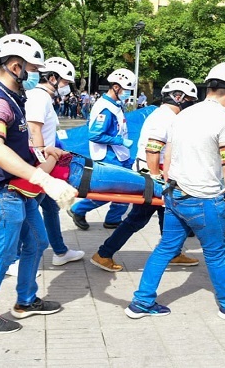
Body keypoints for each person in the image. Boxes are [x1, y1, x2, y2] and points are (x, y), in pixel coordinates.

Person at [125, 62, 225, 320]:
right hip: (204, 199)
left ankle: (141, 302)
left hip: (175, 194)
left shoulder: (183, 115)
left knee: (165, 248)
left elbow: (169, 156)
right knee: (217, 251)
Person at [0, 34, 77, 334]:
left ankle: (26, 300)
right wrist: (43, 179)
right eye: (33, 69)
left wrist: (42, 153)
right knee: (1, 255)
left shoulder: (14, 99)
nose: (37, 76)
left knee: (38, 243)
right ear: (16, 67)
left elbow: (14, 144)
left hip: (15, 191)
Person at [90, 78, 200, 272]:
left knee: (167, 215)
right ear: (178, 97)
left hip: (156, 174)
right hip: (151, 175)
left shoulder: (166, 116)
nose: (191, 104)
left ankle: (173, 252)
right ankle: (104, 254)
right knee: (137, 219)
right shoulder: (165, 118)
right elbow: (152, 150)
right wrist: (157, 179)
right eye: (190, 99)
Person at [14, 56, 85, 271]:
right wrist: (44, 164)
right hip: (39, 163)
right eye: (64, 82)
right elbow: (34, 130)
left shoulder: (43, 97)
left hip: (45, 161)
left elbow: (46, 132)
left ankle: (60, 251)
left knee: (51, 207)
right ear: (52, 78)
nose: (66, 88)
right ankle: (15, 259)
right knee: (28, 210)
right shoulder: (39, 97)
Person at [67, 68, 136, 230]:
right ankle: (78, 209)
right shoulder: (105, 108)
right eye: (126, 90)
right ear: (116, 87)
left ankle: (113, 219)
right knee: (112, 190)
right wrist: (120, 141)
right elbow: (95, 135)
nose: (128, 93)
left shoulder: (116, 104)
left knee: (127, 189)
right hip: (109, 156)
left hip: (120, 155)